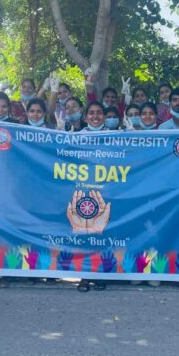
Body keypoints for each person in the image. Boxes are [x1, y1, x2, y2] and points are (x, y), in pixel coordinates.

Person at [76, 102, 108, 292]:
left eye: (99, 113)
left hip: (108, 190)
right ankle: (85, 276)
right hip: (83, 190)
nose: (95, 116)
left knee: (104, 233)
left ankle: (102, 274)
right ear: (86, 117)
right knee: (85, 234)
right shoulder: (77, 137)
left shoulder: (115, 135)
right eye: (91, 113)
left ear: (104, 116)